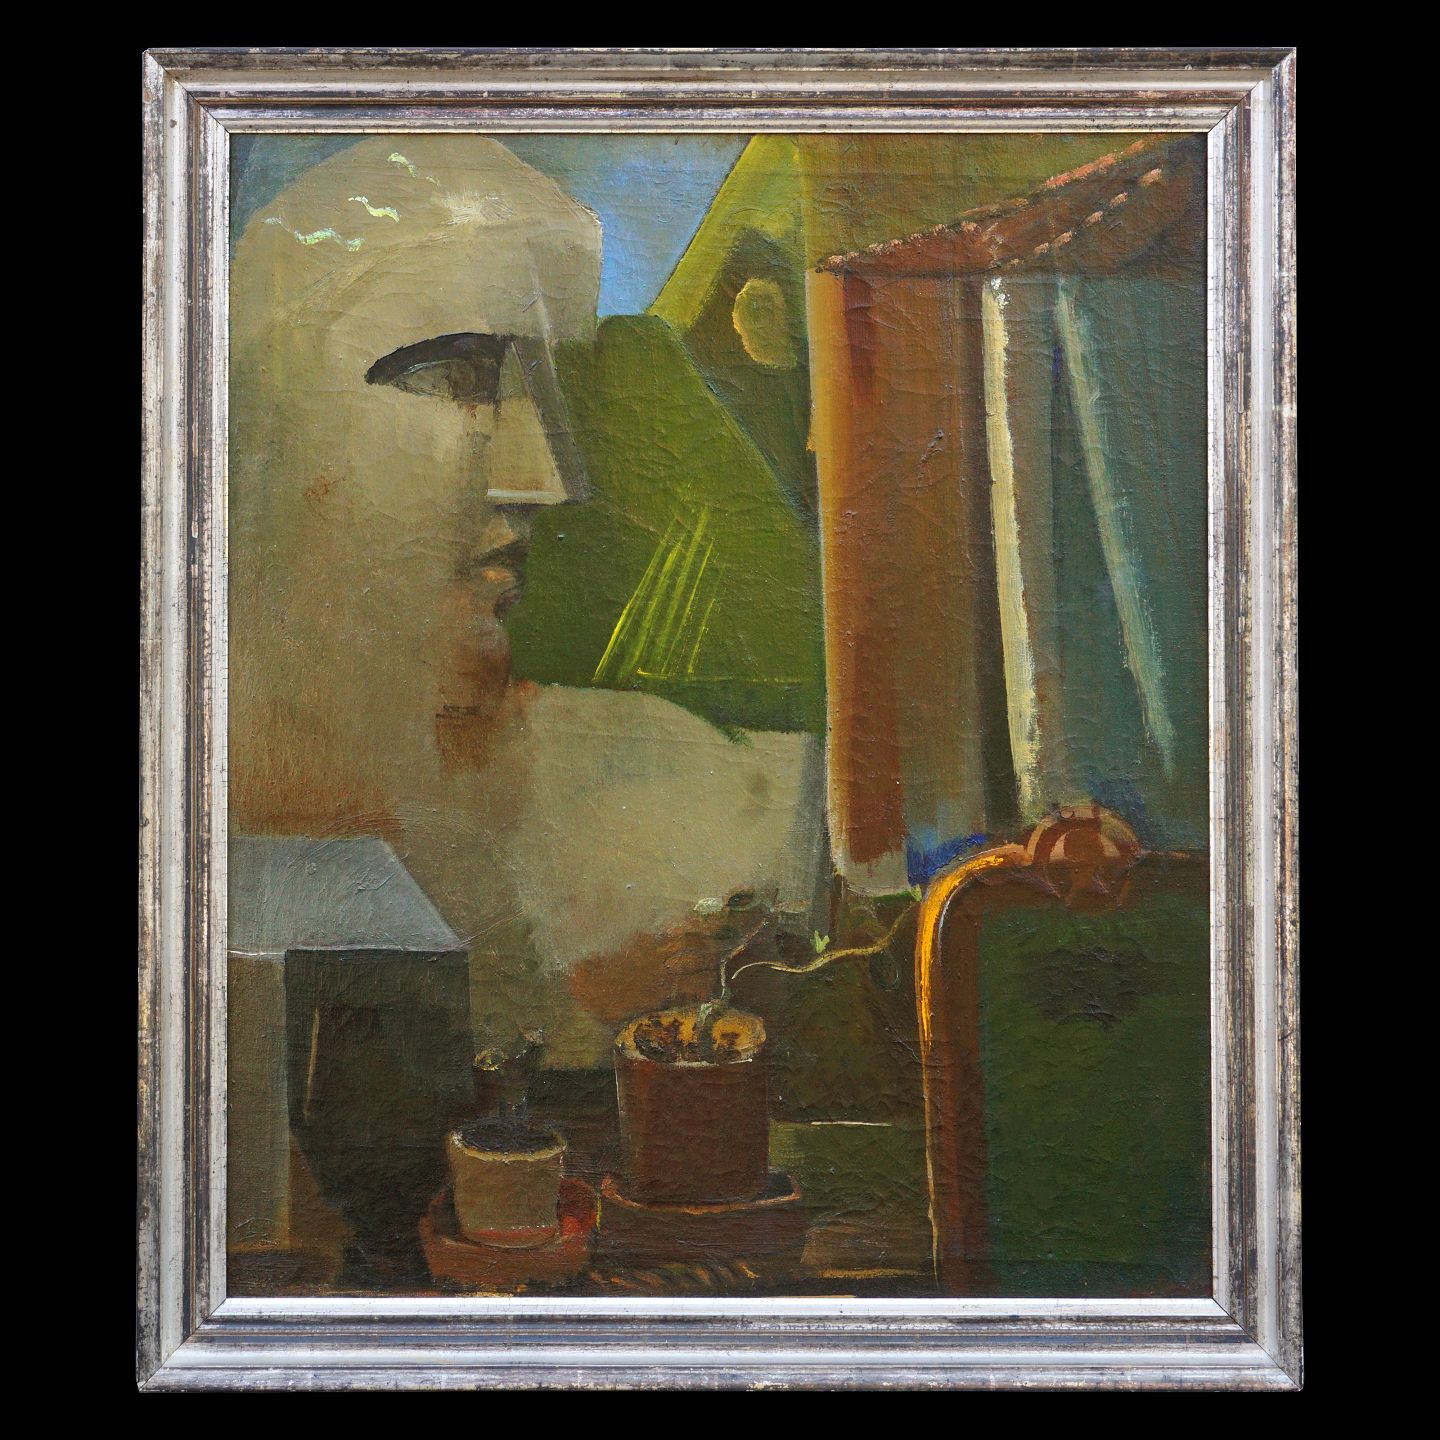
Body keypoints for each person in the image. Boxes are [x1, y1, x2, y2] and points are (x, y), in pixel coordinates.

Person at [230, 136, 824, 1074]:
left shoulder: (651, 785)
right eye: (458, 379)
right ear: (278, 424)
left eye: (543, 388)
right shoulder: (197, 825)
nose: (546, 478)